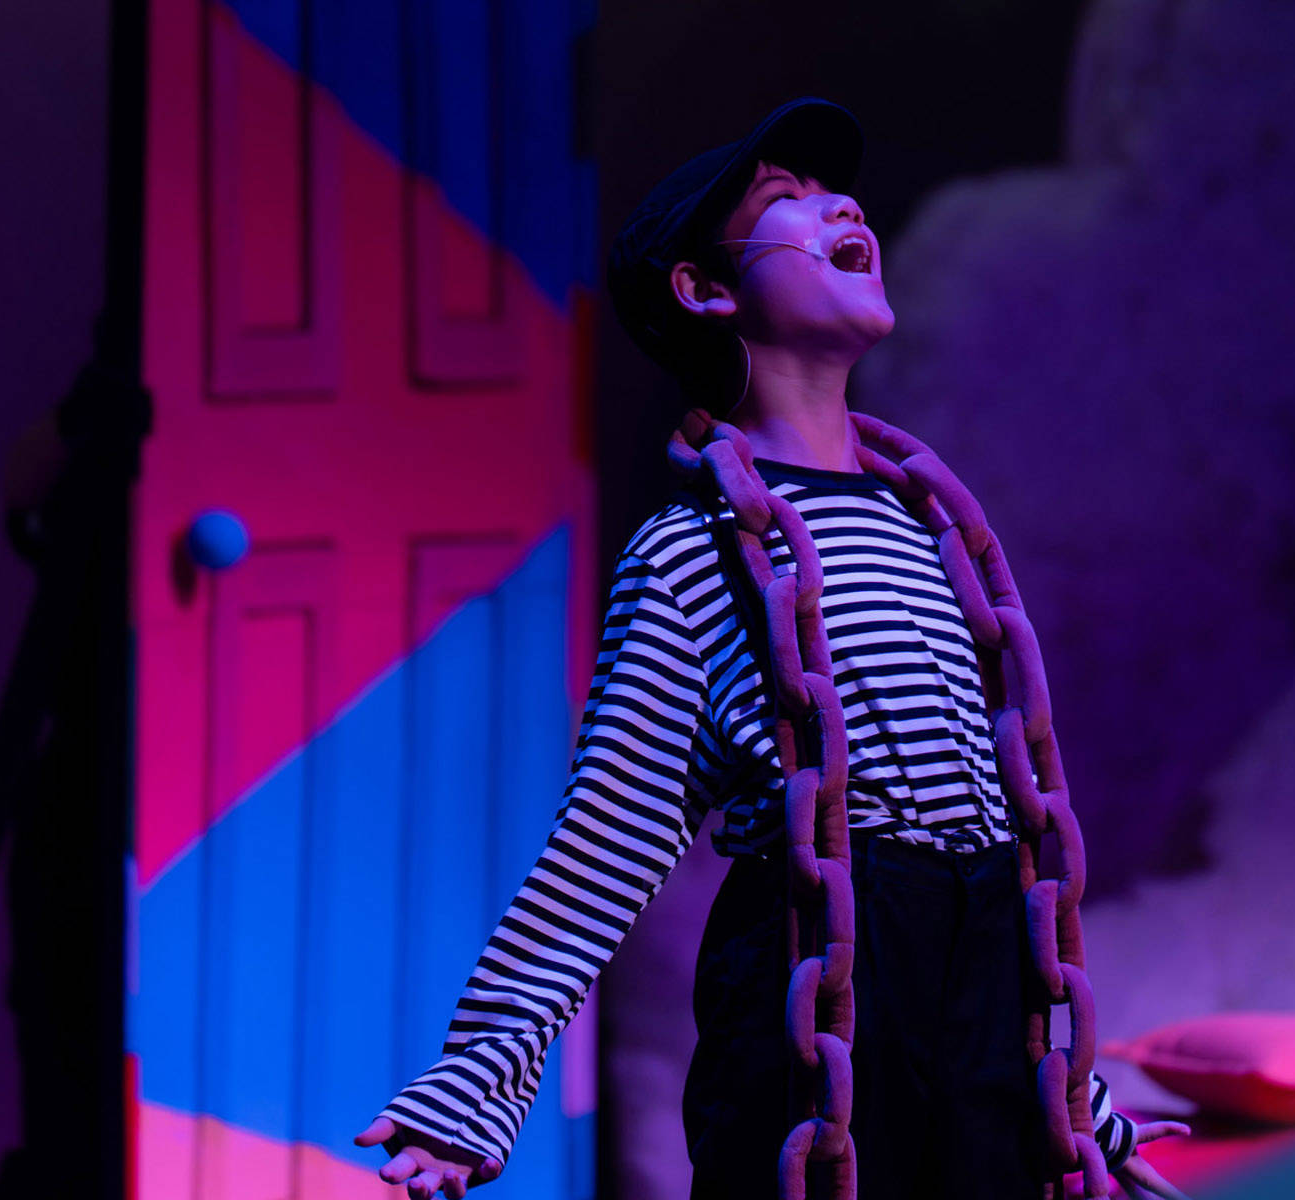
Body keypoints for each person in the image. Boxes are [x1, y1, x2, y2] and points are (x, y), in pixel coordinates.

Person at [355, 97, 1191, 1199]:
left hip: (977, 983)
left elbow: (999, 838)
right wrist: (477, 1081)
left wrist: (1080, 1108)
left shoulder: (930, 527)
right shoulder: (694, 552)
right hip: (822, 977)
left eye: (839, 191)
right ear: (705, 289)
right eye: (788, 199)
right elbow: (609, 832)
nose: (844, 206)